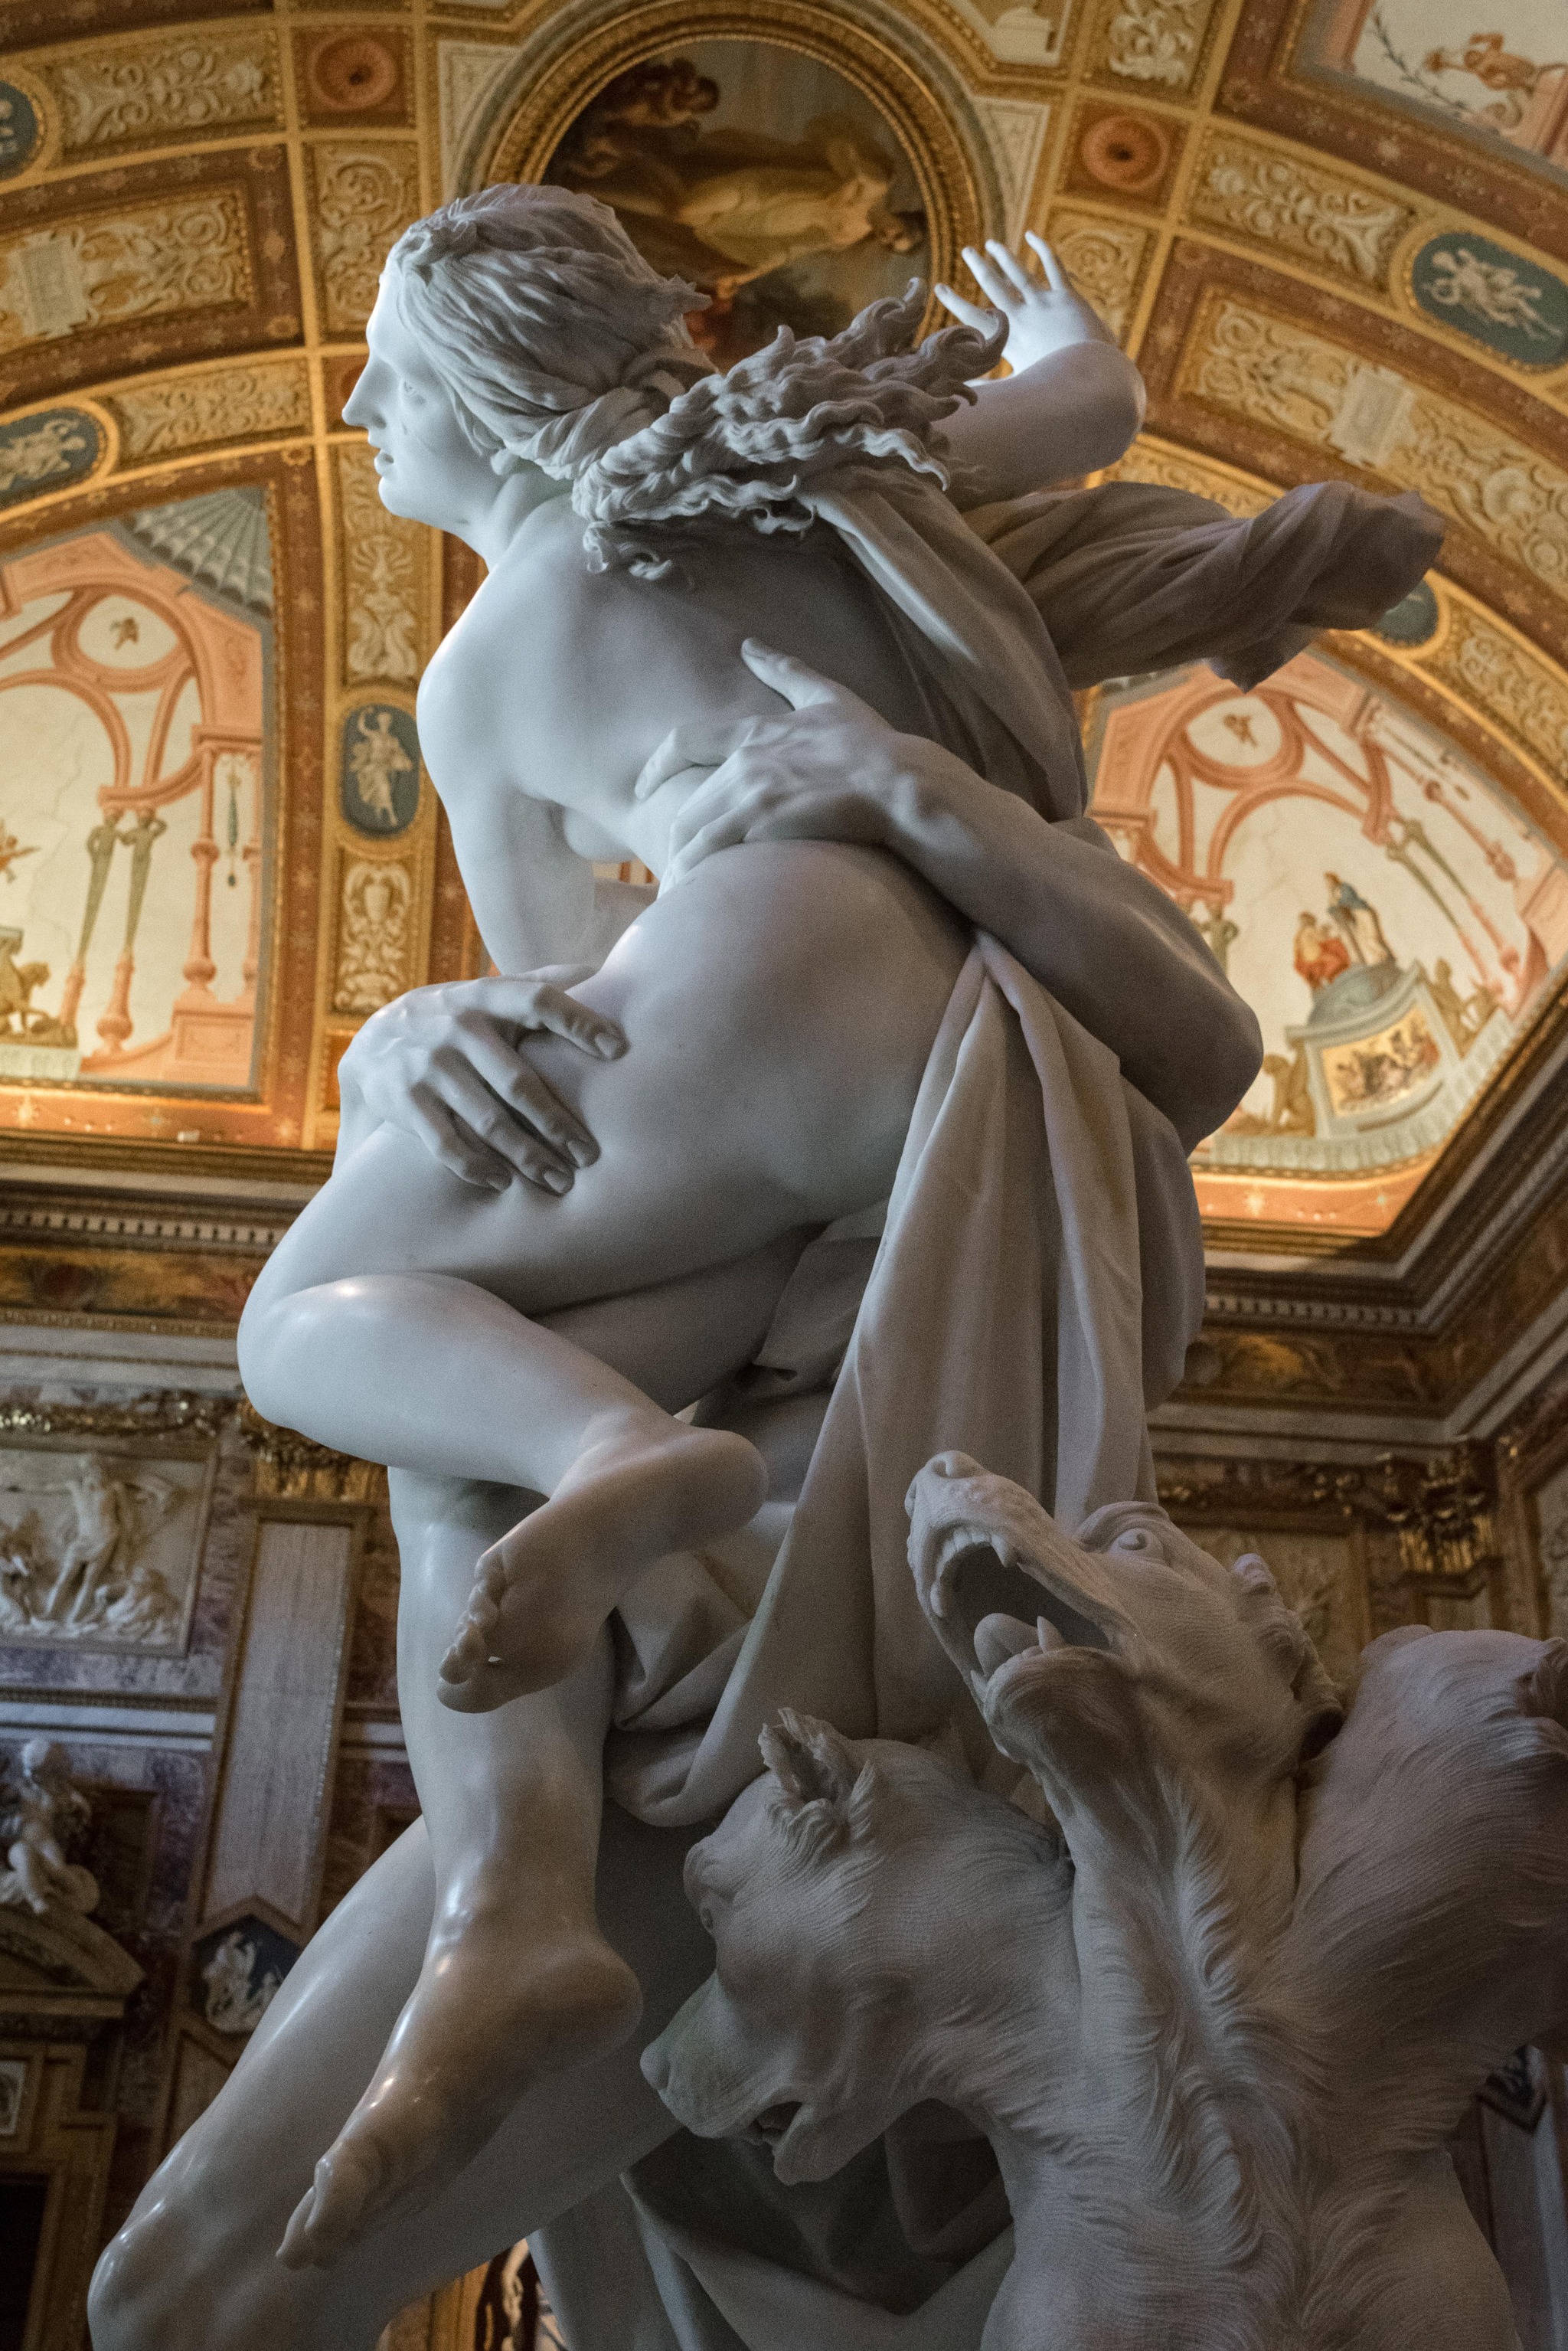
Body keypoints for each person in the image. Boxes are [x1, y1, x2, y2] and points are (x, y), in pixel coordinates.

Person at [94, 185, 1439, 2348]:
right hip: (948, 1025)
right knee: (485, 1410)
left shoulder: (475, 662)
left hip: (727, 985)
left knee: (318, 1325)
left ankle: (603, 1555)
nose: (353, 409)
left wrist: (391, 1033)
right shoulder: (819, 472)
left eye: (378, 376)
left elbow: (536, 1020)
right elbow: (1080, 417)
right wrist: (1082, 344)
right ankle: (537, 1842)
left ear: (475, 394)